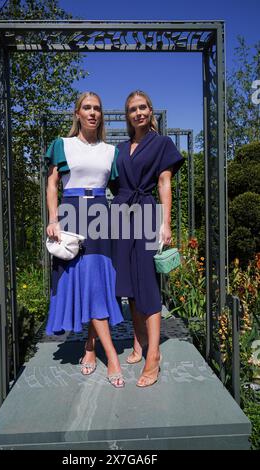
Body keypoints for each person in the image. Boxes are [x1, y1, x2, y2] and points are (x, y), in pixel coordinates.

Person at [44, 91, 124, 388]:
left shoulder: (110, 151)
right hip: (71, 214)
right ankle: (110, 355)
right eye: (87, 108)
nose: (93, 113)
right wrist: (53, 219)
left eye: (97, 109)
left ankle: (92, 348)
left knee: (97, 283)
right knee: (84, 281)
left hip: (102, 215)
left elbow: (122, 187)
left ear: (101, 115)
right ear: (77, 113)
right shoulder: (61, 145)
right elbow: (52, 185)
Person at [111, 90, 185, 387]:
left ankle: (153, 354)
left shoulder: (161, 144)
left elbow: (164, 183)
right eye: (132, 109)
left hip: (145, 213)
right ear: (127, 115)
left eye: (143, 107)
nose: (138, 112)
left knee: (147, 283)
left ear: (150, 111)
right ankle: (139, 340)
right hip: (119, 215)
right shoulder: (120, 147)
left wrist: (165, 223)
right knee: (127, 282)